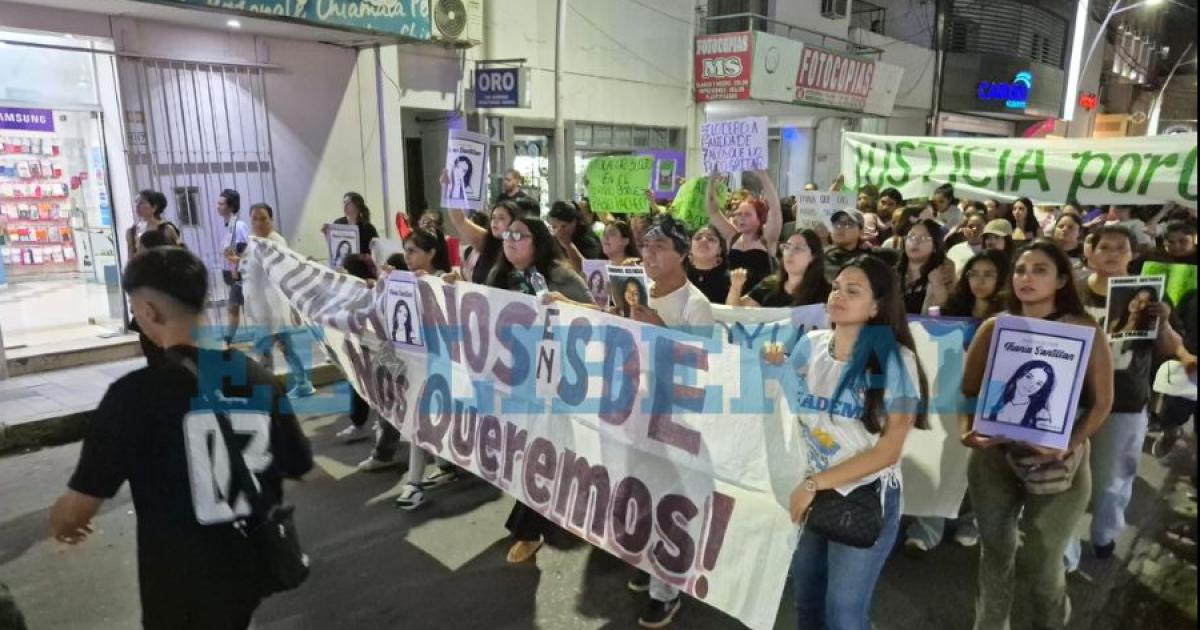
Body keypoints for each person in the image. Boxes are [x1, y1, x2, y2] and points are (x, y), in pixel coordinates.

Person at [49, 246, 313, 630]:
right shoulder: (258, 378)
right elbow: (299, 463)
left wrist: (63, 522)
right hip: (247, 576)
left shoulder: (133, 396)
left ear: (149, 312)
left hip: (177, 591)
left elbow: (77, 510)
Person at [762, 255, 928, 630]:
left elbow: (888, 451)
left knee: (843, 614)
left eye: (853, 291)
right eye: (837, 287)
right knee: (806, 601)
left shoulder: (896, 362)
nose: (838, 295)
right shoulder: (811, 345)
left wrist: (813, 485)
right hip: (810, 492)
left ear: (876, 307)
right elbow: (794, 403)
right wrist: (776, 369)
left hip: (862, 496)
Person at [961, 240, 1114, 630]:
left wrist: (1069, 443)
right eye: (1020, 270)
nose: (1026, 278)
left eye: (1040, 270)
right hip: (994, 457)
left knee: (1042, 562)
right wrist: (967, 432)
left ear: (1062, 279)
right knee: (995, 553)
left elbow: (1101, 404)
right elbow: (967, 391)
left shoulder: (1083, 330)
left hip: (1058, 464)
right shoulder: (995, 326)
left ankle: (1050, 620)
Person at [1063, 226, 1194, 569]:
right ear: (1089, 252)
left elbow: (1168, 347)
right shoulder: (1071, 292)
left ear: (1133, 254)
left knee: (1111, 480)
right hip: (1071, 400)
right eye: (1103, 246)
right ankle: (1064, 550)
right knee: (1064, 479)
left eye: (1120, 248)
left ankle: (1105, 533)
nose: (1111, 253)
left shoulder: (1150, 296)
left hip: (1125, 402)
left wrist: (1164, 323)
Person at [468, 217, 592, 560]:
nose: (509, 240)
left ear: (536, 241)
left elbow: (598, 314)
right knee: (521, 450)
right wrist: (450, 287)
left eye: (518, 235)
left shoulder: (561, 275)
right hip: (511, 381)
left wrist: (566, 305)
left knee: (538, 450)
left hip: (554, 382)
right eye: (506, 234)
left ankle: (529, 528)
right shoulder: (500, 276)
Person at [617, 214, 715, 628]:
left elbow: (701, 370)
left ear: (682, 256)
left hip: (677, 420)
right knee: (640, 491)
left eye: (660, 247)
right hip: (637, 411)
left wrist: (658, 328)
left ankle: (666, 591)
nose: (650, 254)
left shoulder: (696, 305)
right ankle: (648, 561)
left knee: (672, 502)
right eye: (646, 246)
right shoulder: (634, 293)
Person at [904, 250, 1009, 553]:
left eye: (989, 274)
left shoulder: (1012, 319)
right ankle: (928, 526)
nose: (980, 281)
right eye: (974, 274)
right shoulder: (950, 312)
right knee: (942, 457)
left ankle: (972, 521)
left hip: (991, 400)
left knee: (984, 465)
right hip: (948, 399)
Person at [233, 202, 315, 399]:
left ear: (271, 220)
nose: (259, 222)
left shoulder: (276, 241)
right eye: (255, 218)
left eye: (263, 218)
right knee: (285, 346)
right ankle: (302, 383)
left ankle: (266, 388)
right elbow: (251, 267)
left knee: (263, 348)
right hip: (259, 304)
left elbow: (282, 270)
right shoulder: (253, 240)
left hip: (272, 305)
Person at [705, 169, 783, 295]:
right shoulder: (733, 236)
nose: (741, 218)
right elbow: (713, 210)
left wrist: (763, 176)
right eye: (738, 214)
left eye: (747, 214)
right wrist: (712, 181)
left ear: (760, 218)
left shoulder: (767, 238)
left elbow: (775, 208)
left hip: (759, 303)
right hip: (731, 298)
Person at [729, 229, 830, 308]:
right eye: (787, 247)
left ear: (813, 256)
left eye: (798, 248)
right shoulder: (769, 285)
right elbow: (735, 313)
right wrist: (735, 288)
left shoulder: (826, 293)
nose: (790, 253)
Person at [897, 218, 955, 315]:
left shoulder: (943, 273)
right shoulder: (892, 273)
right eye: (911, 236)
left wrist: (938, 285)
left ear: (935, 246)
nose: (915, 242)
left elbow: (946, 312)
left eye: (923, 238)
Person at [218, 189, 248, 348]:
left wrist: (237, 268)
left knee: (233, 307)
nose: (218, 206)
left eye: (221, 203)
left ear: (231, 206)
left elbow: (242, 248)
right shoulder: (229, 225)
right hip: (232, 273)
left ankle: (227, 340)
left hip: (240, 274)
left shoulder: (239, 225)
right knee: (235, 307)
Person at [986, 360, 1057, 429]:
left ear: (1041, 389)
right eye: (1029, 377)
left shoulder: (1042, 414)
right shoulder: (996, 400)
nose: (1031, 385)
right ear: (1019, 375)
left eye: (1038, 383)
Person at [941, 250, 1009, 320]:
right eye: (974, 274)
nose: (979, 281)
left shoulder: (1009, 316)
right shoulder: (954, 310)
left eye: (988, 275)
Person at [548, 200, 604, 270]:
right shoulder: (554, 239)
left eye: (563, 226)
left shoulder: (588, 240)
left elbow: (589, 269)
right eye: (554, 227)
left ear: (574, 222)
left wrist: (568, 245)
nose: (558, 231)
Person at [125, 189, 180, 254]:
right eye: (136, 202)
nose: (137, 206)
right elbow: (131, 259)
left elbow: (179, 253)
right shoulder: (131, 232)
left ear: (154, 207)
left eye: (142, 203)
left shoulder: (166, 229)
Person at [686, 224, 730, 304]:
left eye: (711, 239)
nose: (704, 240)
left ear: (720, 250)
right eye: (698, 238)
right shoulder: (678, 275)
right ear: (689, 248)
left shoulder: (731, 280)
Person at [946, 210, 988, 275]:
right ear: (964, 229)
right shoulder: (954, 250)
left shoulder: (990, 251)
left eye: (979, 226)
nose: (974, 229)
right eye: (970, 226)